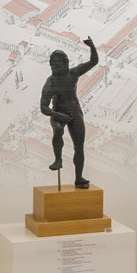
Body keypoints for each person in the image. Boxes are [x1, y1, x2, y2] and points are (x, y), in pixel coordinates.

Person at [39, 36, 99, 188]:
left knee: (79, 146)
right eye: (54, 63)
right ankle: (58, 159)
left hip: (74, 112)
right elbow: (44, 108)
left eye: (60, 63)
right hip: (58, 113)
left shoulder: (73, 73)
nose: (57, 66)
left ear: (66, 63)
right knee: (58, 129)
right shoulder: (50, 82)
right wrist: (59, 116)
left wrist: (92, 46)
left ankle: (78, 178)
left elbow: (93, 62)